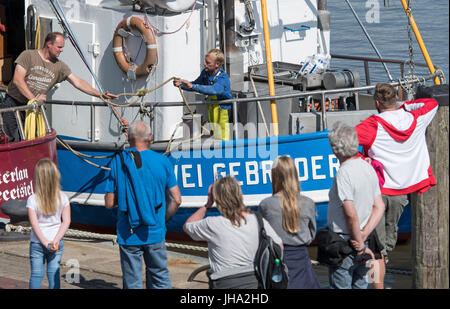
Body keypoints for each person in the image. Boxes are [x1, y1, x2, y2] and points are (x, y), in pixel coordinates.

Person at [355, 83, 438, 288]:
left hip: (378, 192)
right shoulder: (415, 118)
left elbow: (342, 138)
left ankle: (378, 286)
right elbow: (432, 102)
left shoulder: (373, 125)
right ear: (397, 98)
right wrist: (405, 106)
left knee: (376, 249)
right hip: (403, 193)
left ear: (376, 102)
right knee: (385, 248)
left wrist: (360, 158)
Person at [104, 121, 181, 289]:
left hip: (128, 232)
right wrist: (162, 219)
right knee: (160, 277)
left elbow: (109, 203)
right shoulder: (163, 162)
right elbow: (176, 199)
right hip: (155, 230)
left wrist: (125, 197)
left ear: (127, 137)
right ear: (150, 138)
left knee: (132, 283)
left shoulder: (118, 162)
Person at [2, 31, 118, 142]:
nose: (62, 50)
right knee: (13, 140)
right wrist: (34, 99)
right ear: (49, 44)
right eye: (59, 47)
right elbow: (18, 80)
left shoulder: (60, 67)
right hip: (13, 104)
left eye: (62, 47)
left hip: (33, 109)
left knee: (32, 140)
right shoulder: (28, 55)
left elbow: (77, 82)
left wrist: (100, 94)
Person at [183, 176, 282, 289]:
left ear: (217, 198)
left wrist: (208, 204)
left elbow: (187, 226)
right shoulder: (258, 220)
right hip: (254, 281)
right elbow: (279, 245)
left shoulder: (212, 224)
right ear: (239, 194)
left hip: (223, 283)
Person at [327, 122, 385, 289]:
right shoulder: (368, 167)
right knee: (361, 286)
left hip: (346, 243)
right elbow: (379, 206)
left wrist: (358, 244)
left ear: (335, 149)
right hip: (364, 241)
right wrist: (364, 235)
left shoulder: (344, 173)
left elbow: (350, 213)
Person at [258, 155, 320, 289]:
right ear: (294, 175)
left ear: (274, 176)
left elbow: (262, 235)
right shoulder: (308, 203)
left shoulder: (266, 205)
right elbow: (311, 236)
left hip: (276, 261)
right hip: (302, 261)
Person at [27, 158, 71, 289]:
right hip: (56, 243)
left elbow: (34, 224)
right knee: (53, 275)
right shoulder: (63, 198)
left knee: (36, 274)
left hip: (37, 243)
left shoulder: (32, 199)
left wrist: (44, 242)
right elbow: (66, 221)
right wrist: (55, 240)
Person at [173, 48, 232, 140]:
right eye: (205, 61)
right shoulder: (206, 73)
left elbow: (214, 90)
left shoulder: (223, 78)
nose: (204, 64)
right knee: (216, 135)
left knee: (224, 137)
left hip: (223, 111)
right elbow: (196, 84)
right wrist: (181, 85)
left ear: (217, 64)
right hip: (212, 108)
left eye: (208, 63)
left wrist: (192, 86)